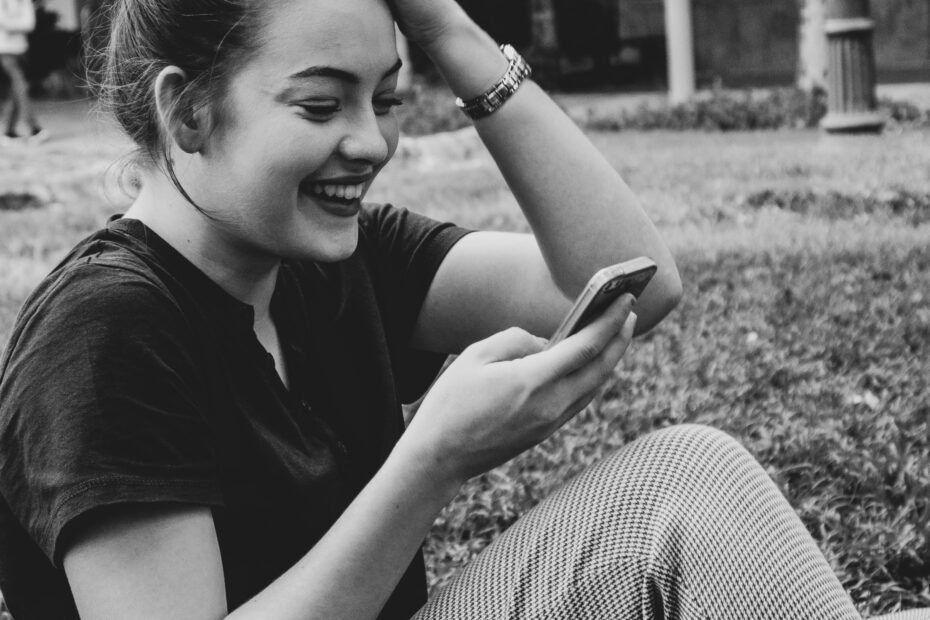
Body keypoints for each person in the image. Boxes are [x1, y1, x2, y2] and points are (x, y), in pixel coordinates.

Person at [0, 1, 925, 619]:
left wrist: (453, 34)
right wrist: (431, 462)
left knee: (689, 483)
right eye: (321, 104)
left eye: (388, 98)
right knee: (684, 490)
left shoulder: (328, 259)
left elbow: (633, 280)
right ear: (189, 114)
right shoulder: (106, 332)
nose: (370, 141)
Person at [0, 0, 45, 144]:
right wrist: (18, 23)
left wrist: (12, 23)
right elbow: (5, 23)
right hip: (5, 51)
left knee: (17, 90)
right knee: (21, 85)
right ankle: (34, 129)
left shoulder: (24, 1)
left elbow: (29, 24)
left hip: (22, 50)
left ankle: (8, 131)